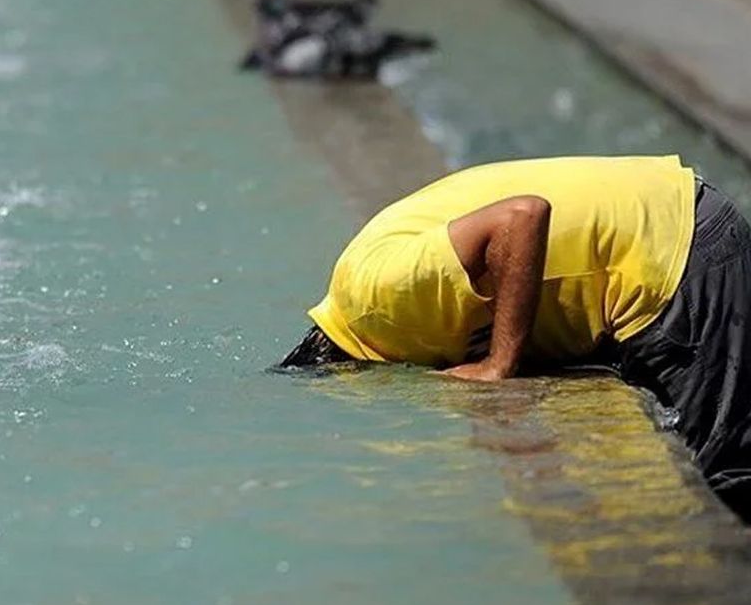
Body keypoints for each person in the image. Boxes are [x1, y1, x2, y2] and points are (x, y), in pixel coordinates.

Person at [282, 155, 751, 520]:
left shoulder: (376, 299)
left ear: (344, 370)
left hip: (672, 251)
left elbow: (522, 216)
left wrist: (499, 364)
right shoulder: (367, 296)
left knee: (719, 480)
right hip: (662, 225)